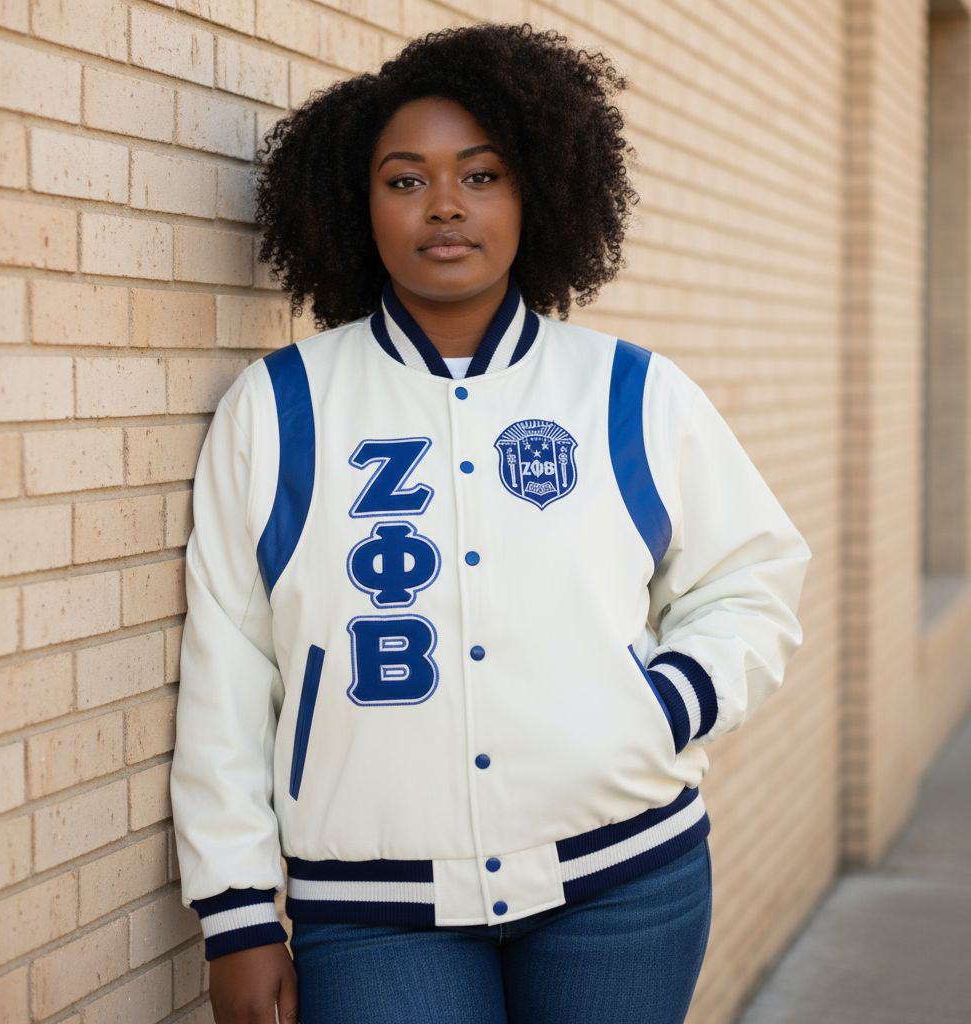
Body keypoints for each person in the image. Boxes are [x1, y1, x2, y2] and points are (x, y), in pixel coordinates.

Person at [169, 20, 812, 1024]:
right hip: (375, 907)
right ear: (356, 203)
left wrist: (666, 702)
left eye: (480, 174)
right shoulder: (281, 405)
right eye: (404, 180)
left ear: (537, 192)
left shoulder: (626, 391)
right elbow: (228, 665)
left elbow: (752, 577)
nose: (444, 208)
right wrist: (238, 915)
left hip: (625, 880)